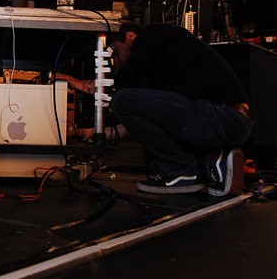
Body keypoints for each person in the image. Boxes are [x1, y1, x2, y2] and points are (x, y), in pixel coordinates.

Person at [59, 21, 253, 196]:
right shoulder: (164, 61)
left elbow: (119, 88)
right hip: (233, 121)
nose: (117, 61)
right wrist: (84, 133)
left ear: (130, 37)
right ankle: (217, 162)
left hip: (217, 115)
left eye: (116, 51)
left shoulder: (151, 34)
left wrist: (74, 82)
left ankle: (181, 171)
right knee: (132, 112)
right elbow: (133, 128)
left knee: (122, 100)